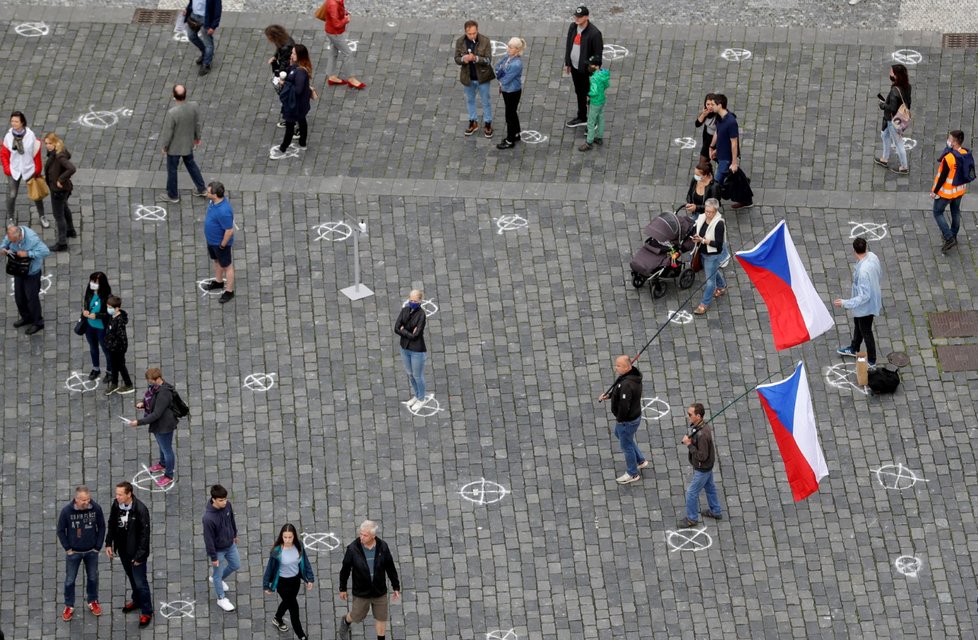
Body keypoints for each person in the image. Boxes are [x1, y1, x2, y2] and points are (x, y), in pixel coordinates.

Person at [337, 520, 401, 640]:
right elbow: (345, 570)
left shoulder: (383, 547)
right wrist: (342, 588)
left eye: (365, 535)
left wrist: (396, 586)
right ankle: (346, 621)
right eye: (360, 533)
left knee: (382, 618)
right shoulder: (353, 549)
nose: (361, 537)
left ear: (373, 536)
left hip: (379, 591)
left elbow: (390, 567)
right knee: (356, 616)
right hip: (362, 592)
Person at [105, 481, 153, 628]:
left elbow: (145, 536)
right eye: (116, 493)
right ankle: (137, 600)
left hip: (136, 553)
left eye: (120, 494)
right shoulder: (116, 505)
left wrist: (139, 557)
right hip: (124, 550)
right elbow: (112, 523)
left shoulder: (140, 510)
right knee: (131, 578)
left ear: (128, 494)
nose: (117, 496)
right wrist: (108, 543)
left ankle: (146, 611)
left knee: (140, 582)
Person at [58, 485, 106, 621]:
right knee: (70, 580)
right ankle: (69, 605)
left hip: (91, 551)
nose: (87, 502)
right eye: (84, 500)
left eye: (88, 499)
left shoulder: (95, 508)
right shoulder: (66, 511)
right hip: (74, 553)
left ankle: (92, 601)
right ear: (76, 499)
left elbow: (101, 526)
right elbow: (60, 530)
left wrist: (97, 546)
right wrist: (68, 549)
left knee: (92, 578)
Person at [598, 355, 649, 484]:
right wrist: (609, 396)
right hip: (633, 417)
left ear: (627, 367)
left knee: (626, 446)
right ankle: (640, 460)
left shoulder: (627, 385)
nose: (616, 368)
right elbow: (617, 390)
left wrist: (620, 420)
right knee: (621, 436)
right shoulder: (630, 376)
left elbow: (624, 406)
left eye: (618, 366)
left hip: (627, 421)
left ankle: (632, 473)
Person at [835, 237, 883, 367]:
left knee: (866, 330)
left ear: (854, 251)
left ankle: (872, 360)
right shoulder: (873, 256)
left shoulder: (862, 272)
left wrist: (845, 303)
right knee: (858, 324)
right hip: (871, 299)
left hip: (865, 307)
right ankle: (854, 347)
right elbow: (880, 273)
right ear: (865, 248)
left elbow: (863, 296)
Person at [129, 368, 179, 488]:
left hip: (164, 425)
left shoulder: (164, 394)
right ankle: (162, 464)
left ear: (157, 379)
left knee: (167, 450)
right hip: (159, 424)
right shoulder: (155, 387)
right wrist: (143, 403)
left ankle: (168, 475)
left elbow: (156, 414)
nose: (149, 383)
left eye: (150, 380)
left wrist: (139, 422)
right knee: (162, 446)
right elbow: (150, 397)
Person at [263, 523, 315, 638]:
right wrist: (266, 585)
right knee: (294, 610)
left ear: (294, 536)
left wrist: (309, 578)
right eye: (285, 537)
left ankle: (277, 618)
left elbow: (305, 562)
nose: (287, 540)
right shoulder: (277, 551)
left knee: (287, 602)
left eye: (290, 537)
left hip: (295, 581)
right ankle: (302, 636)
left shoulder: (299, 546)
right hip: (282, 583)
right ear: (281, 536)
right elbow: (269, 568)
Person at [157, 85, 207, 204]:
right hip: (188, 144)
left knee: (172, 170)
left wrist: (165, 146)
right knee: (191, 165)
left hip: (175, 147)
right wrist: (197, 138)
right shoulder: (194, 106)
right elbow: (197, 124)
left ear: (174, 96)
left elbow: (168, 132)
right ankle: (201, 188)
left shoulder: (172, 113)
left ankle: (173, 195)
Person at [2, 224, 49, 334]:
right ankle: (26, 317)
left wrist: (28, 253)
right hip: (18, 269)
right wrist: (3, 249)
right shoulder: (11, 235)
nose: (11, 243)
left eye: (13, 241)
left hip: (32, 273)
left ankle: (38, 322)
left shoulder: (32, 239)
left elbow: (45, 251)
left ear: (19, 237)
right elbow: (4, 244)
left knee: (32, 299)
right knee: (19, 297)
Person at [2, 111, 47, 228]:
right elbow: (4, 154)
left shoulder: (30, 135)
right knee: (12, 194)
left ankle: (42, 216)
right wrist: (7, 169)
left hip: (29, 168)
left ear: (22, 122)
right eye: (12, 121)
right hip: (15, 169)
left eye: (16, 121)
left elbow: (35, 152)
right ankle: (11, 218)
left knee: (36, 194)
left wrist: (37, 169)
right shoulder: (8, 136)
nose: (14, 123)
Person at [680, 403, 722, 527]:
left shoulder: (702, 434)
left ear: (698, 416)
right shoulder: (699, 427)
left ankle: (692, 518)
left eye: (690, 414)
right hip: (707, 467)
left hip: (702, 468)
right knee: (710, 488)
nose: (688, 417)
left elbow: (702, 456)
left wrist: (689, 445)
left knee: (691, 493)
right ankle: (716, 510)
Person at [930, 129, 972, 253]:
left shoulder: (949, 158)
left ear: (954, 142)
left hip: (946, 192)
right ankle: (953, 234)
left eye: (949, 139)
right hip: (959, 191)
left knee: (937, 212)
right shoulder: (965, 153)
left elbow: (943, 177)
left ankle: (948, 237)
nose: (948, 141)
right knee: (955, 211)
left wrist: (935, 191)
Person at [271, 45, 314, 160]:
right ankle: (302, 143)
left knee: (290, 126)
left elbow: (298, 90)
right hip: (300, 104)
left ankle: (283, 148)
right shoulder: (297, 67)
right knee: (302, 120)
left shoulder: (300, 72)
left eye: (294, 53)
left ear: (299, 56)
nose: (291, 55)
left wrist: (284, 84)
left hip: (294, 104)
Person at [453, 20, 495, 138]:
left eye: (474, 33)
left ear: (477, 30)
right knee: (470, 100)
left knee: (485, 101)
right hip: (468, 77)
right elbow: (456, 58)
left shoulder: (485, 41)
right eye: (469, 33)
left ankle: (488, 123)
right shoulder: (460, 42)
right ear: (465, 32)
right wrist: (463, 59)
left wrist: (476, 58)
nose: (472, 35)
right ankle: (473, 121)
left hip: (482, 77)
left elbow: (488, 60)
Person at [203, 484, 240, 612]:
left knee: (236, 565)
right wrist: (213, 557)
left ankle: (216, 579)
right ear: (213, 499)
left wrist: (234, 534)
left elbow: (232, 520)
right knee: (217, 574)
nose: (224, 502)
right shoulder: (208, 519)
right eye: (221, 500)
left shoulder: (228, 505)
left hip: (230, 544)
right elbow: (208, 540)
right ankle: (221, 598)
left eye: (225, 499)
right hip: (218, 550)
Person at [563, 6, 603, 129]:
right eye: (576, 16)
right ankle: (582, 116)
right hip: (575, 68)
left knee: (591, 95)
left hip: (587, 71)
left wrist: (591, 67)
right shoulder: (573, 27)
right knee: (579, 92)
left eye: (580, 17)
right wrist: (568, 63)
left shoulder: (595, 33)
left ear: (587, 17)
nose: (577, 18)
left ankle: (593, 121)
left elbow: (597, 55)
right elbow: (569, 45)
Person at [709, 94, 751, 208]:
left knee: (716, 183)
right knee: (735, 178)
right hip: (721, 155)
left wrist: (734, 162)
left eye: (713, 104)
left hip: (726, 159)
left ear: (720, 105)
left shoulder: (731, 122)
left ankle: (713, 204)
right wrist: (713, 147)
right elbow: (718, 133)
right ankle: (745, 190)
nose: (710, 107)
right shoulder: (719, 117)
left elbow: (734, 143)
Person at [692, 199, 729, 315]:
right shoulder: (702, 217)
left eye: (711, 212)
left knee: (709, 282)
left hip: (712, 255)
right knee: (713, 271)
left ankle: (704, 304)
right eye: (707, 211)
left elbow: (718, 245)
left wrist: (702, 240)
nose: (708, 214)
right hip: (702, 252)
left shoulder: (719, 224)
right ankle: (722, 286)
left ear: (716, 211)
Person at [875, 63, 911, 174]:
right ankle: (884, 159)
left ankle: (904, 167)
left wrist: (883, 105)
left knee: (898, 143)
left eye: (891, 72)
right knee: (884, 135)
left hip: (893, 121)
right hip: (894, 118)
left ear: (896, 76)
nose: (889, 73)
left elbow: (892, 108)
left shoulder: (895, 91)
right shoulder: (907, 86)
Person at [42, 133, 76, 251]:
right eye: (46, 143)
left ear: (56, 143)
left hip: (59, 190)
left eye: (50, 143)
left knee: (58, 216)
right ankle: (70, 230)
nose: (47, 146)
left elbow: (72, 168)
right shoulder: (57, 153)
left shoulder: (59, 156)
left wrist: (60, 179)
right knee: (64, 208)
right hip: (64, 189)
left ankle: (62, 243)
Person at [202, 181, 235, 303]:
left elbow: (229, 230)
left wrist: (222, 245)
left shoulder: (224, 211)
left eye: (209, 191)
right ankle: (218, 282)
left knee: (227, 266)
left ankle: (229, 291)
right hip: (212, 241)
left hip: (220, 243)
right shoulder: (213, 202)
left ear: (215, 195)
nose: (206, 192)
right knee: (216, 261)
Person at [395, 289, 427, 410]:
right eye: (411, 300)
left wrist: (403, 330)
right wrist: (407, 331)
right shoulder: (405, 310)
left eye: (415, 300)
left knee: (417, 376)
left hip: (417, 351)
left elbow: (416, 335)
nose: (412, 302)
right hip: (405, 348)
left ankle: (422, 398)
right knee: (410, 375)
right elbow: (396, 328)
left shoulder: (421, 315)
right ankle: (417, 395)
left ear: (420, 301)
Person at [323, 0, 366, 89]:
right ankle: (351, 79)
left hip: (330, 30)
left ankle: (331, 76)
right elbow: (337, 24)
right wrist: (346, 20)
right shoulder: (333, 4)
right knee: (348, 53)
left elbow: (337, 13)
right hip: (335, 33)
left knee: (333, 52)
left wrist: (345, 13)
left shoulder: (335, 2)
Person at [80, 271, 113, 382]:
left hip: (101, 328)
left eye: (95, 282)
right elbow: (86, 300)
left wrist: (97, 315)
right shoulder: (90, 290)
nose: (92, 284)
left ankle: (110, 371)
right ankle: (96, 368)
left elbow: (109, 314)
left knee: (106, 350)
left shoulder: (107, 297)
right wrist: (85, 310)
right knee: (93, 348)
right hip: (89, 326)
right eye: (92, 281)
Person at [494, 37, 526, 150]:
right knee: (512, 113)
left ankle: (510, 139)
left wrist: (500, 74)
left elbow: (505, 79)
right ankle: (516, 133)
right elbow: (498, 66)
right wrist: (500, 73)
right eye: (508, 45)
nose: (508, 48)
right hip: (507, 90)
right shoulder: (508, 57)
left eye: (511, 47)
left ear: (517, 49)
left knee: (510, 115)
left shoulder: (516, 64)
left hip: (512, 92)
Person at [104, 295, 134, 395]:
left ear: (117, 308)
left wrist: (118, 349)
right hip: (111, 347)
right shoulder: (111, 316)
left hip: (117, 349)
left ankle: (128, 384)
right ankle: (114, 383)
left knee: (121, 366)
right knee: (113, 366)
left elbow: (122, 338)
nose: (108, 309)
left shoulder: (119, 321)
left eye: (110, 307)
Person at [579, 55, 610, 152]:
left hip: (595, 102)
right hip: (602, 100)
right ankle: (599, 137)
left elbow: (594, 91)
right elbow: (606, 85)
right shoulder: (604, 75)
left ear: (596, 66)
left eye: (591, 65)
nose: (589, 66)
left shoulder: (594, 78)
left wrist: (588, 94)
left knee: (591, 122)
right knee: (601, 118)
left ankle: (589, 142)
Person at [184, 0, 222, 75]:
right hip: (194, 16)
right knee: (191, 36)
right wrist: (187, 8)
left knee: (208, 43)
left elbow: (217, 11)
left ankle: (206, 64)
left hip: (206, 19)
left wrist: (213, 26)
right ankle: (205, 53)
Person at [694, 94, 718, 166]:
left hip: (717, 141)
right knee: (703, 163)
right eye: (708, 104)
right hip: (707, 140)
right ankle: (708, 176)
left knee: (722, 163)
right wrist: (703, 115)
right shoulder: (706, 112)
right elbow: (697, 124)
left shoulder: (718, 115)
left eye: (712, 104)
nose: (710, 106)